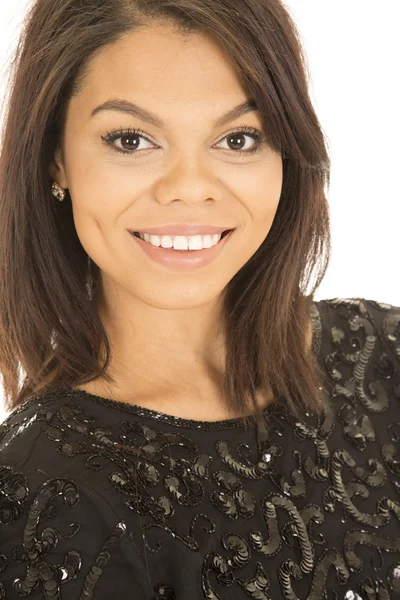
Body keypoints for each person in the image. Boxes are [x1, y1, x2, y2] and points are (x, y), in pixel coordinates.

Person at [0, 1, 399, 598]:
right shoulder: (43, 493)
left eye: (237, 138)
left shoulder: (385, 352)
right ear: (56, 156)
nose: (189, 188)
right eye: (131, 140)